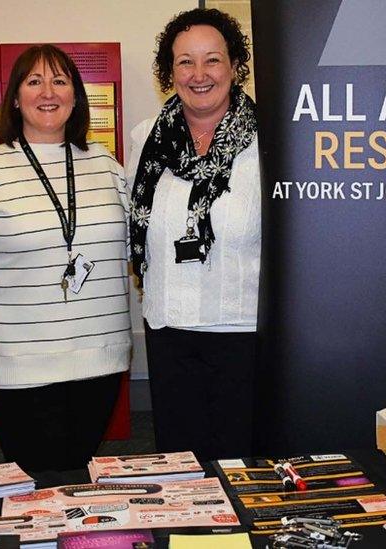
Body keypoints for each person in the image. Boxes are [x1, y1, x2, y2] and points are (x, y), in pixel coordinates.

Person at [0, 45, 131, 474]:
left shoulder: (106, 164)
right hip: (17, 366)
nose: (47, 92)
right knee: (35, 481)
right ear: (15, 97)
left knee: (78, 473)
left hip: (99, 359)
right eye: (34, 81)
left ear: (76, 95)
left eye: (59, 81)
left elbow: (128, 249)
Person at [127, 8, 259, 461]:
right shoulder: (145, 137)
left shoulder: (271, 141)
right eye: (185, 62)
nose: (199, 74)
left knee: (240, 466)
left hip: (241, 333)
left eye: (212, 60)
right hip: (169, 331)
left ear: (236, 65)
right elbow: (136, 222)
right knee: (178, 468)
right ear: (169, 72)